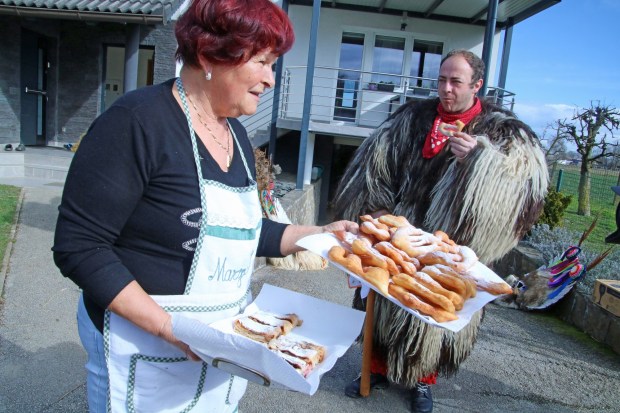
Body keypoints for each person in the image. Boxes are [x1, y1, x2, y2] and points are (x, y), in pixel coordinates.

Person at [52, 1, 358, 411]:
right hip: (143, 342)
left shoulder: (237, 139)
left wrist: (319, 235)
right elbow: (80, 246)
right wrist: (169, 328)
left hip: (217, 346)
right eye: (264, 62)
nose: (271, 80)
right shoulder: (137, 122)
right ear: (210, 54)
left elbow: (244, 230)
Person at [333, 49, 549, 412]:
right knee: (384, 302)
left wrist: (479, 161)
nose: (446, 89)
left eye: (456, 82)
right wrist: (379, 213)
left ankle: (421, 382)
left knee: (433, 315)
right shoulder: (412, 117)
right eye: (442, 80)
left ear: (477, 84)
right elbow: (375, 163)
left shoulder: (503, 130)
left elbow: (526, 186)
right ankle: (375, 369)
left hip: (452, 243)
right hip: (402, 232)